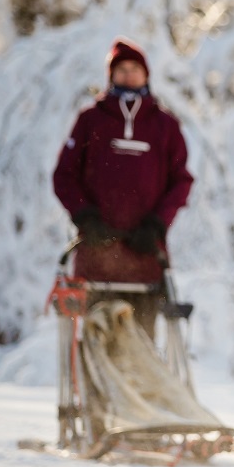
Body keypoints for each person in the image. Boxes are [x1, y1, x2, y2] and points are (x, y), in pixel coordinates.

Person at [53, 38, 194, 340]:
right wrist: (85, 217)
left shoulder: (165, 125)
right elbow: (64, 176)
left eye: (134, 69)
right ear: (111, 75)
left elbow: (181, 181)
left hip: (145, 255)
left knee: (141, 344)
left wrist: (157, 224)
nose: (129, 76)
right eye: (122, 70)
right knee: (96, 340)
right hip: (97, 255)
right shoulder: (91, 120)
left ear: (146, 74)